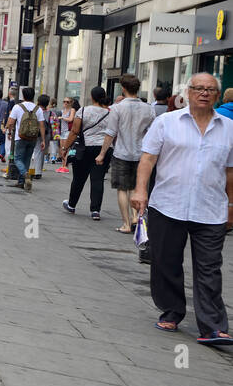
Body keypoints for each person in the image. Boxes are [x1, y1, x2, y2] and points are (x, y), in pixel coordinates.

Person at [131, 73, 233, 345]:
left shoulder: (229, 128)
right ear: (187, 93)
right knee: (166, 262)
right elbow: (148, 158)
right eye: (198, 88)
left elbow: (231, 171)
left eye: (210, 89)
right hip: (168, 205)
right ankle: (172, 310)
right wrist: (140, 190)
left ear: (217, 96)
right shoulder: (166, 122)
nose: (204, 93)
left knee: (210, 268)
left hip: (211, 209)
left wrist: (231, 204)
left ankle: (212, 326)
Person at [98, 72, 155, 234]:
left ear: (123, 89)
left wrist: (102, 154)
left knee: (122, 189)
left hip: (122, 153)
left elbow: (111, 132)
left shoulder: (117, 108)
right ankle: (136, 215)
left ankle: (126, 223)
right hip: (141, 153)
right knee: (136, 187)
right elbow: (152, 133)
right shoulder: (148, 109)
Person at [61, 86, 112, 219]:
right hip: (103, 149)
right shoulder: (110, 113)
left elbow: (74, 131)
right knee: (98, 179)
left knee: (79, 178)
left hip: (85, 147)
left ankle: (72, 204)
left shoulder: (83, 111)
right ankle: (95, 210)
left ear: (91, 96)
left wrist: (65, 148)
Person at [4, 87, 45, 191]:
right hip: (33, 137)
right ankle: (22, 182)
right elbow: (42, 126)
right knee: (26, 159)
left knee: (17, 159)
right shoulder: (38, 109)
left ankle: (24, 174)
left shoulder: (17, 107)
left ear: (23, 96)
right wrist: (43, 140)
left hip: (20, 136)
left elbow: (10, 122)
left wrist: (9, 132)